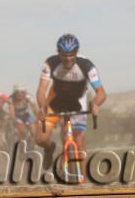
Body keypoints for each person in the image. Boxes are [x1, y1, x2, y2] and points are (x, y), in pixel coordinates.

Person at [35, 33, 106, 180]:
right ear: (58, 53)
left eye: (71, 54)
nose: (68, 58)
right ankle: (50, 148)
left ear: (77, 52)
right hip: (56, 99)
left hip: (77, 100)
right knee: (41, 138)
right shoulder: (50, 63)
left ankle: (84, 183)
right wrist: (42, 108)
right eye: (64, 55)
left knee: (79, 143)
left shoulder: (86, 65)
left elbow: (101, 93)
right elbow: (41, 91)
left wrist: (96, 104)